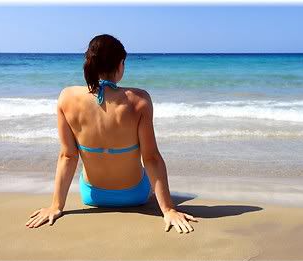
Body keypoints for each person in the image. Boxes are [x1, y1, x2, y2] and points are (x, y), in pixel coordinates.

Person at [25, 34, 197, 234]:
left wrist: (55, 207)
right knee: (168, 188)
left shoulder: (67, 98)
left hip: (91, 196)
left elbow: (68, 156)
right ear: (120, 64)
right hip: (135, 196)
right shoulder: (139, 100)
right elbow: (151, 158)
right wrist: (168, 209)